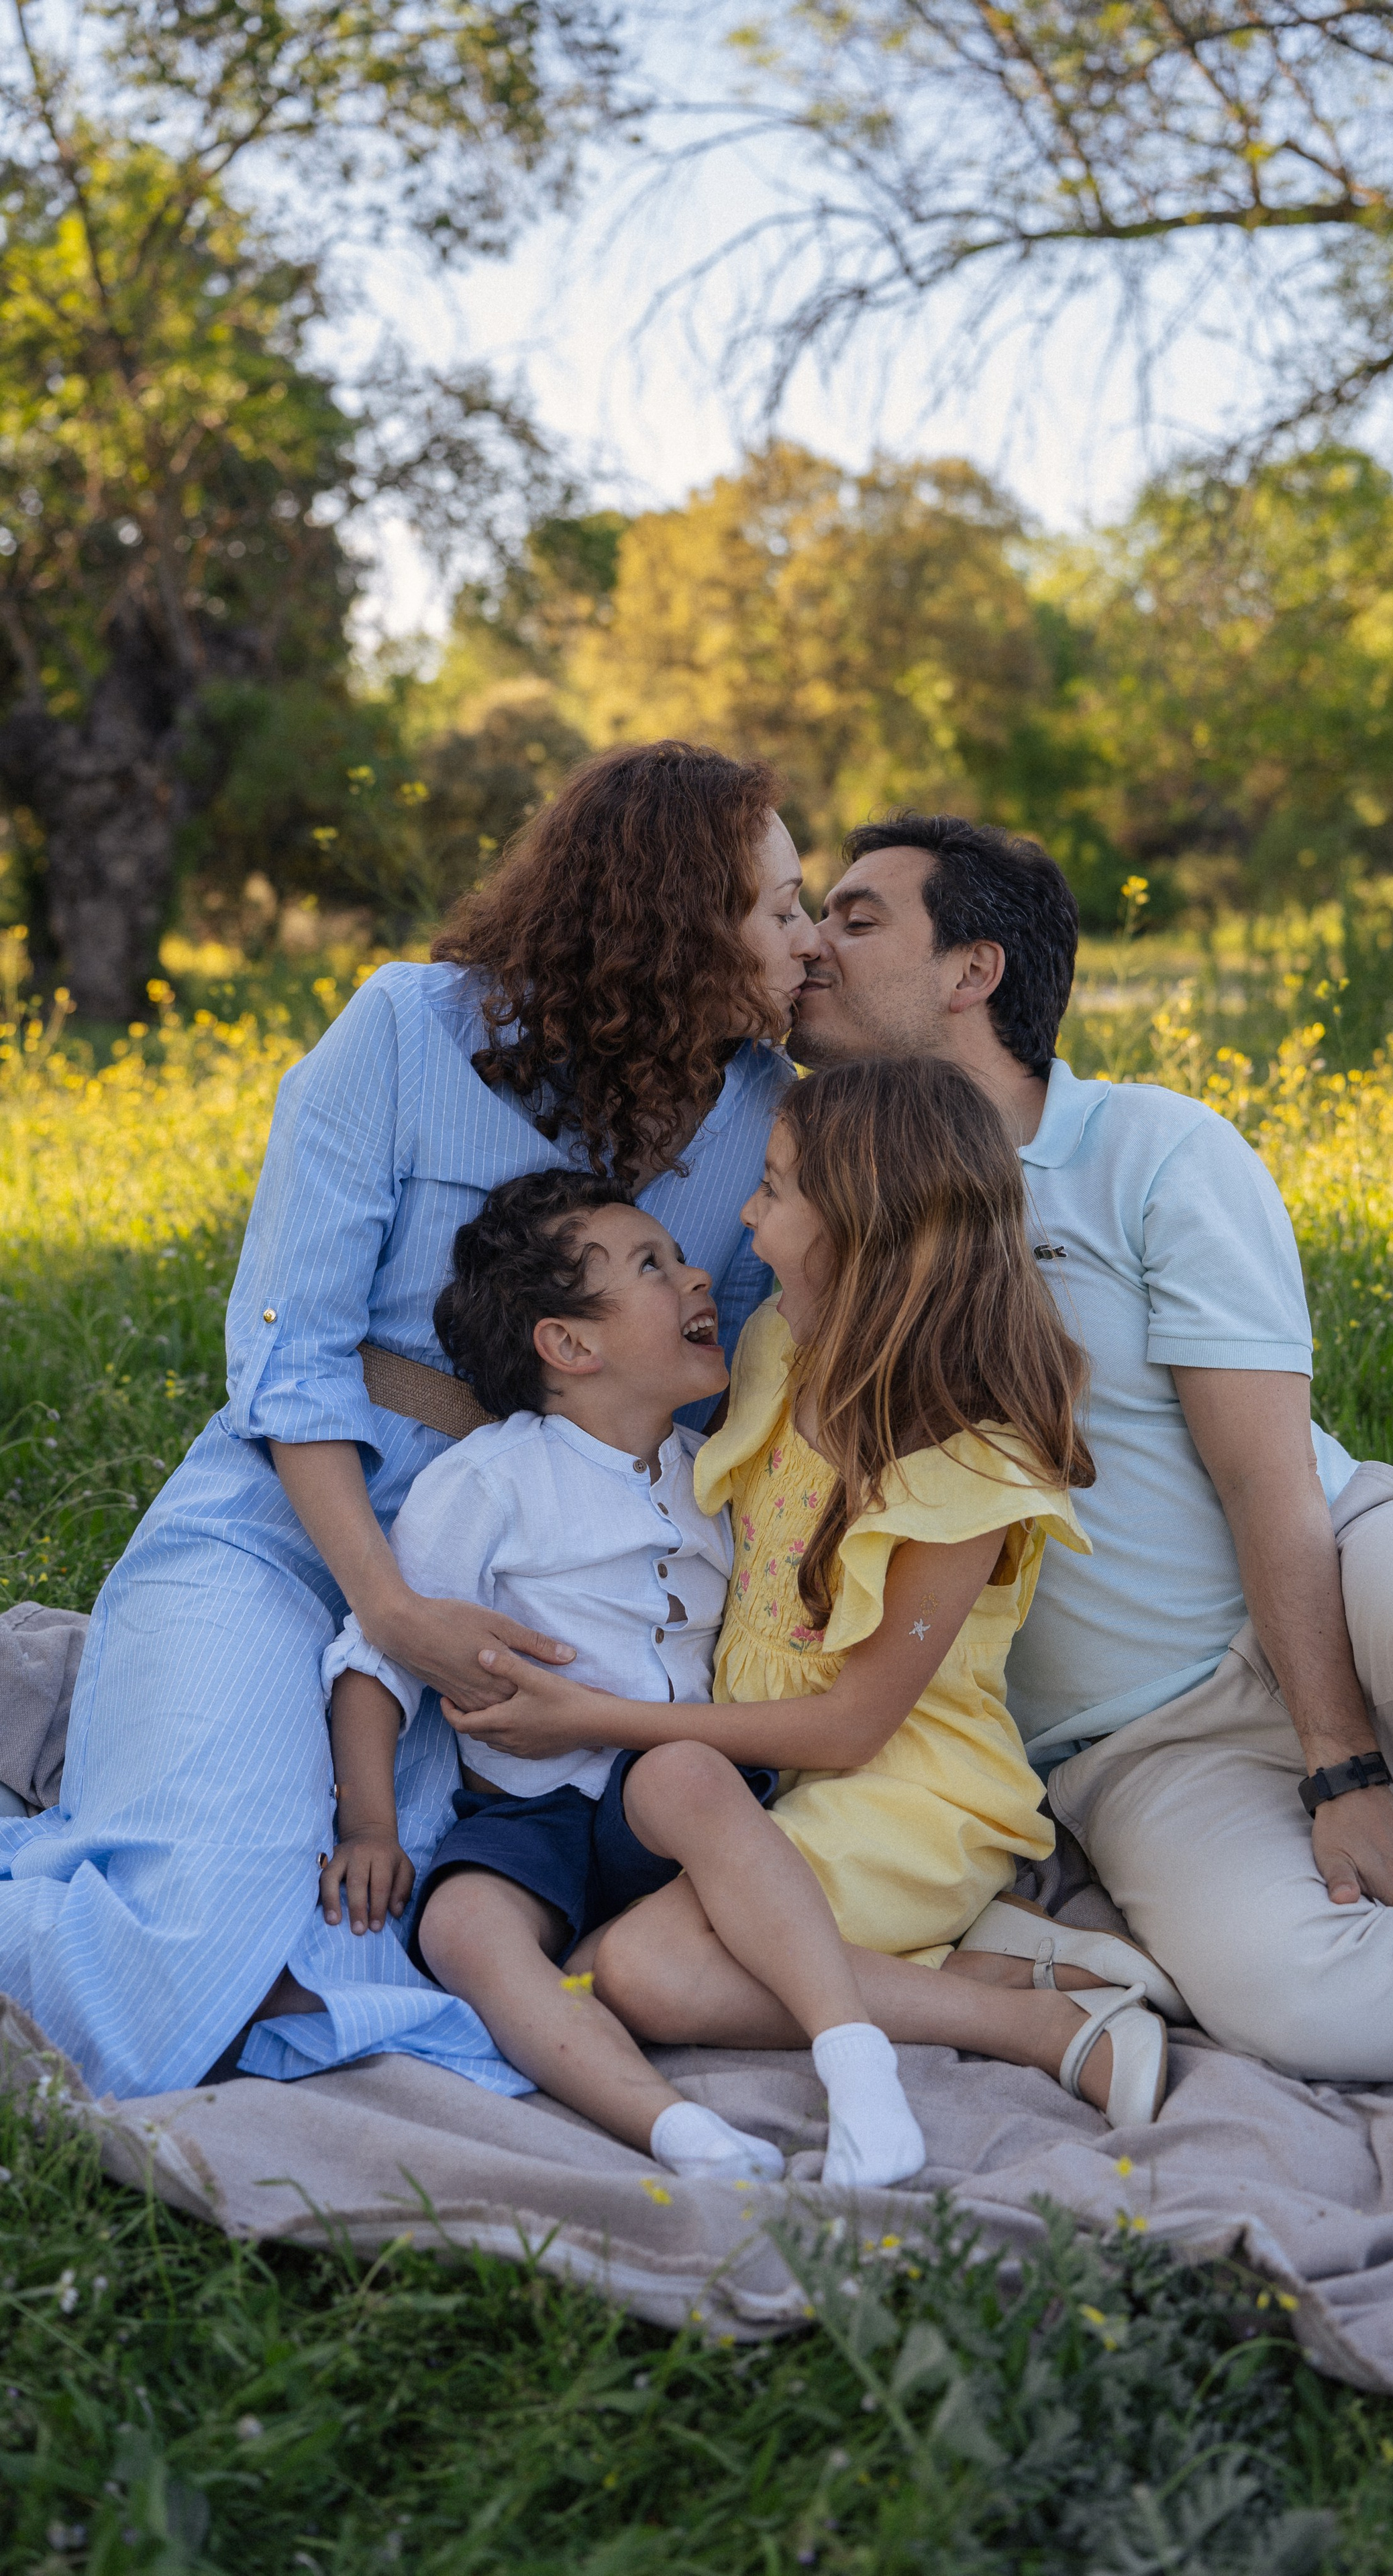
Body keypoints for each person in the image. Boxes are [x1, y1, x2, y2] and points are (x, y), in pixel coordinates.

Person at [708, 808, 1393, 2088]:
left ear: (973, 972)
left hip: (1341, 1587)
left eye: (857, 921)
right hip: (1134, 1747)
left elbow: (1264, 1473)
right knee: (1300, 2003)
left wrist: (1339, 1763)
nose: (813, 948)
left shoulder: (1149, 1148)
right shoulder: (811, 1199)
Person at [0, 741, 820, 2104]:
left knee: (375, 1939)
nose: (805, 937)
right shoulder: (403, 1029)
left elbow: (717, 1381)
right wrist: (384, 1604)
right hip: (290, 1535)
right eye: (778, 905)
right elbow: (291, 1357)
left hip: (523, 1597)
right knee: (182, 1957)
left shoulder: (755, 1112)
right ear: (675, 919)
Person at [464, 1057, 1172, 2126]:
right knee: (596, 1963)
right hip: (771, 1790)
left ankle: (1033, 2024)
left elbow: (853, 1726)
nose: (744, 1217)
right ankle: (991, 1968)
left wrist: (591, 1717)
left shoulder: (967, 1471)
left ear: (862, 1227)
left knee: (643, 1974)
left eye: (776, 1188)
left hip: (914, 1794)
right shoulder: (777, 1352)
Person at [319, 1164, 931, 2188]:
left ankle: (855, 2058)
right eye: (653, 1265)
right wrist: (371, 1826)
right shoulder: (489, 1482)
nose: (697, 1278)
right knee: (462, 1925)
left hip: (673, 1796)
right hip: (526, 1812)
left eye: (678, 1258)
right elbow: (380, 1655)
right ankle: (674, 2131)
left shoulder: (718, 1470)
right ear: (568, 1345)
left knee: (682, 1770)